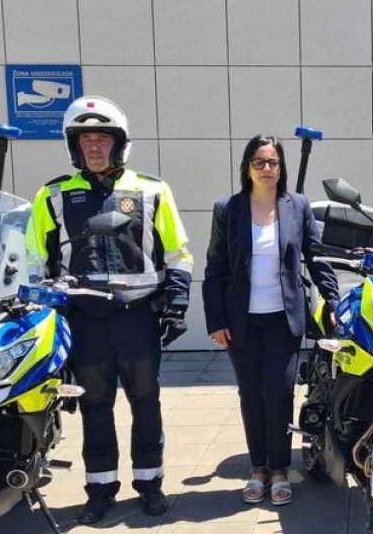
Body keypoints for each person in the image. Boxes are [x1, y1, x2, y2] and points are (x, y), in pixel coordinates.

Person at [29, 95, 193, 524]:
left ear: (119, 144)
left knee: (146, 402)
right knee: (95, 407)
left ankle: (150, 484)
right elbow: (35, 265)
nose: (95, 148)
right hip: (86, 323)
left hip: (137, 316)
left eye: (102, 139)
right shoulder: (52, 196)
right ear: (74, 146)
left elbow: (177, 253)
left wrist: (176, 304)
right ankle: (100, 488)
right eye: (86, 140)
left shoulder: (152, 190)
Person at [203, 135, 340, 507]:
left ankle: (280, 469)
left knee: (278, 393)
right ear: (247, 167)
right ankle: (258, 468)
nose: (267, 169)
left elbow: (316, 256)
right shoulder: (228, 209)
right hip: (241, 321)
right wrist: (215, 319)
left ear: (282, 168)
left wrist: (332, 297)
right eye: (260, 162)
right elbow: (214, 268)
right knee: (250, 394)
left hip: (284, 318)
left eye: (273, 162)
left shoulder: (298, 206)